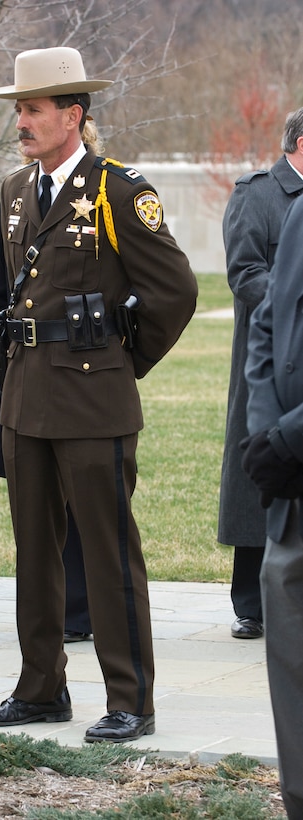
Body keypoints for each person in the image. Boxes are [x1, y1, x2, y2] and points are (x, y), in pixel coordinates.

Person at [0, 46, 197, 742]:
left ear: (72, 114)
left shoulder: (118, 191)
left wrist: (122, 361)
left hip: (93, 400)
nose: (22, 121)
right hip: (24, 396)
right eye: (18, 110)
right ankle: (40, 688)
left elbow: (174, 290)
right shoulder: (15, 190)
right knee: (33, 551)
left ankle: (130, 699)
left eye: (33, 109)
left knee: (106, 552)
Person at [0, 208, 92, 644]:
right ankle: (49, 610)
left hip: (77, 369)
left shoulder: (101, 194)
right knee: (35, 498)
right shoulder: (17, 197)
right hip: (19, 363)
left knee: (79, 496)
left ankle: (79, 609)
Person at [218, 107, 303, 640]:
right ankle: (252, 601)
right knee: (260, 470)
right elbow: (244, 271)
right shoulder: (258, 193)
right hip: (267, 358)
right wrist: (292, 305)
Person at [242, 192, 303, 819]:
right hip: (292, 495)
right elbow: (267, 324)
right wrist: (264, 432)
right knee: (292, 680)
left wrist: (287, 437)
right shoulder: (300, 211)